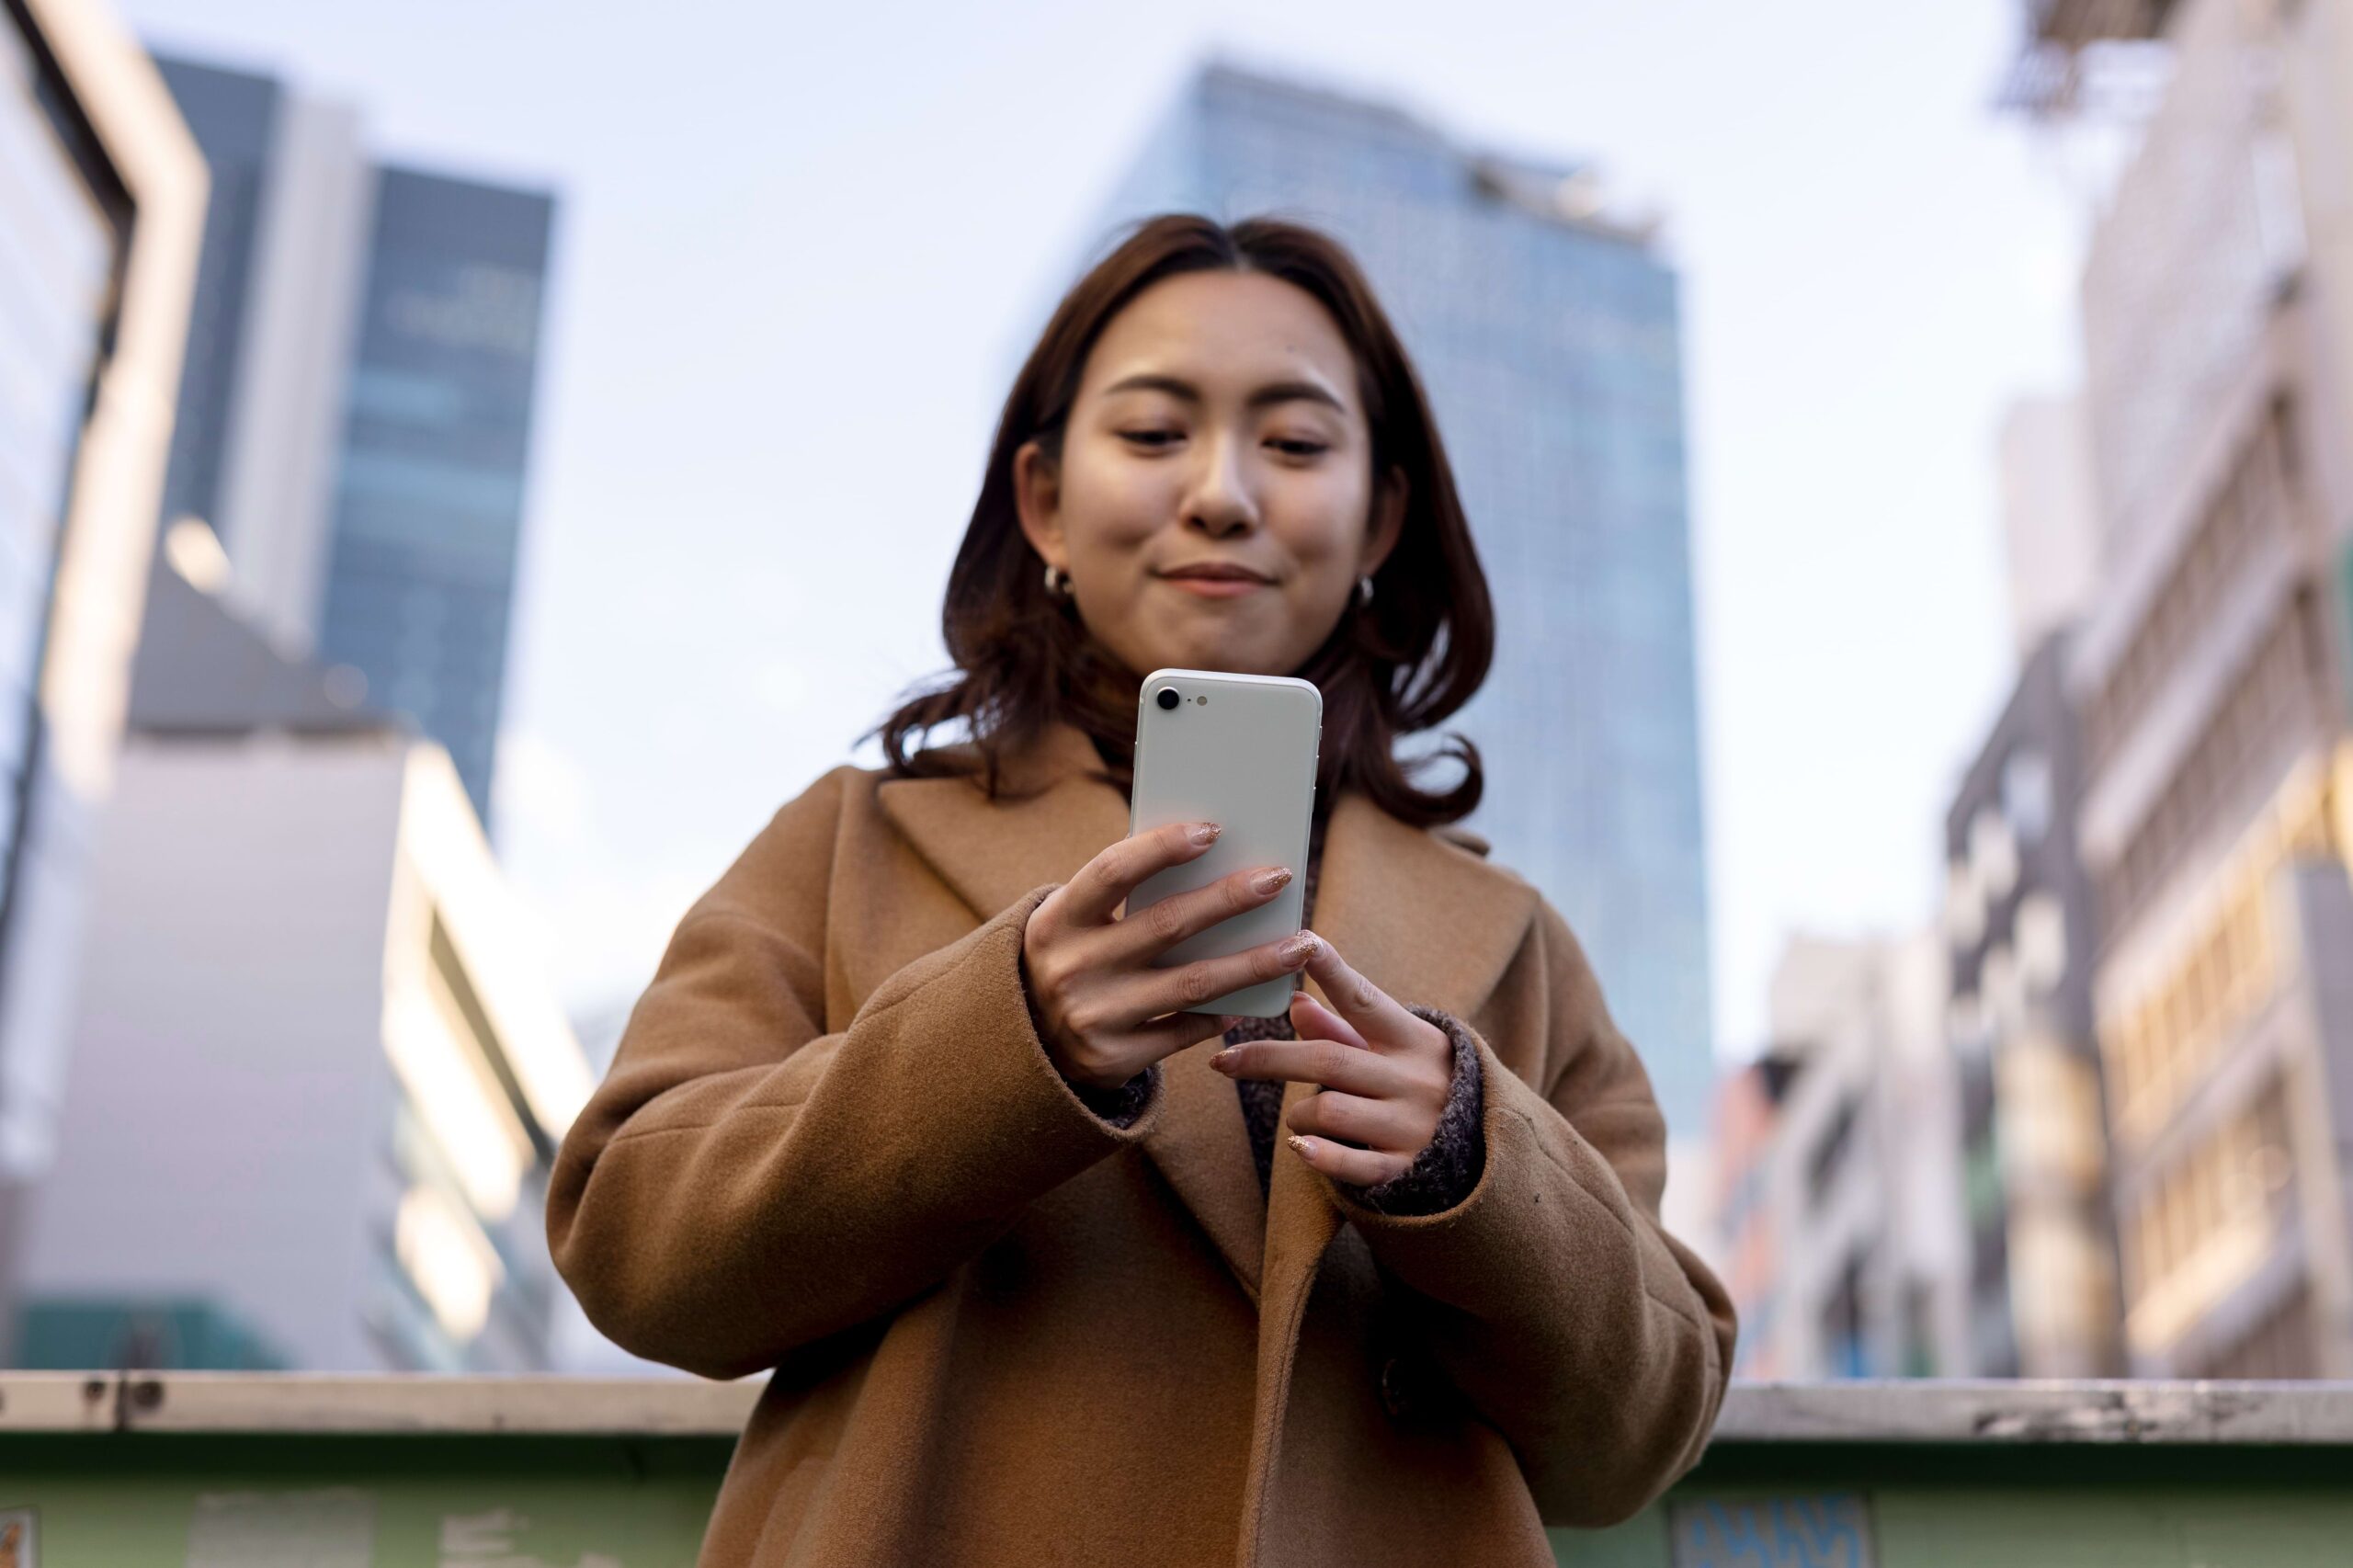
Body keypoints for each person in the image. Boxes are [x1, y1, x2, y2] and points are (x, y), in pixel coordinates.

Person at [548, 213, 1734, 1568]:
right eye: (1156, 432)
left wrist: (1473, 1159)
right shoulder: (851, 843)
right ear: (1045, 502)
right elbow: (630, 1233)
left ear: (1380, 518)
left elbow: (1641, 1431)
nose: (1224, 493)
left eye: (1294, 442)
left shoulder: (1516, 942)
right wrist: (1005, 1042)